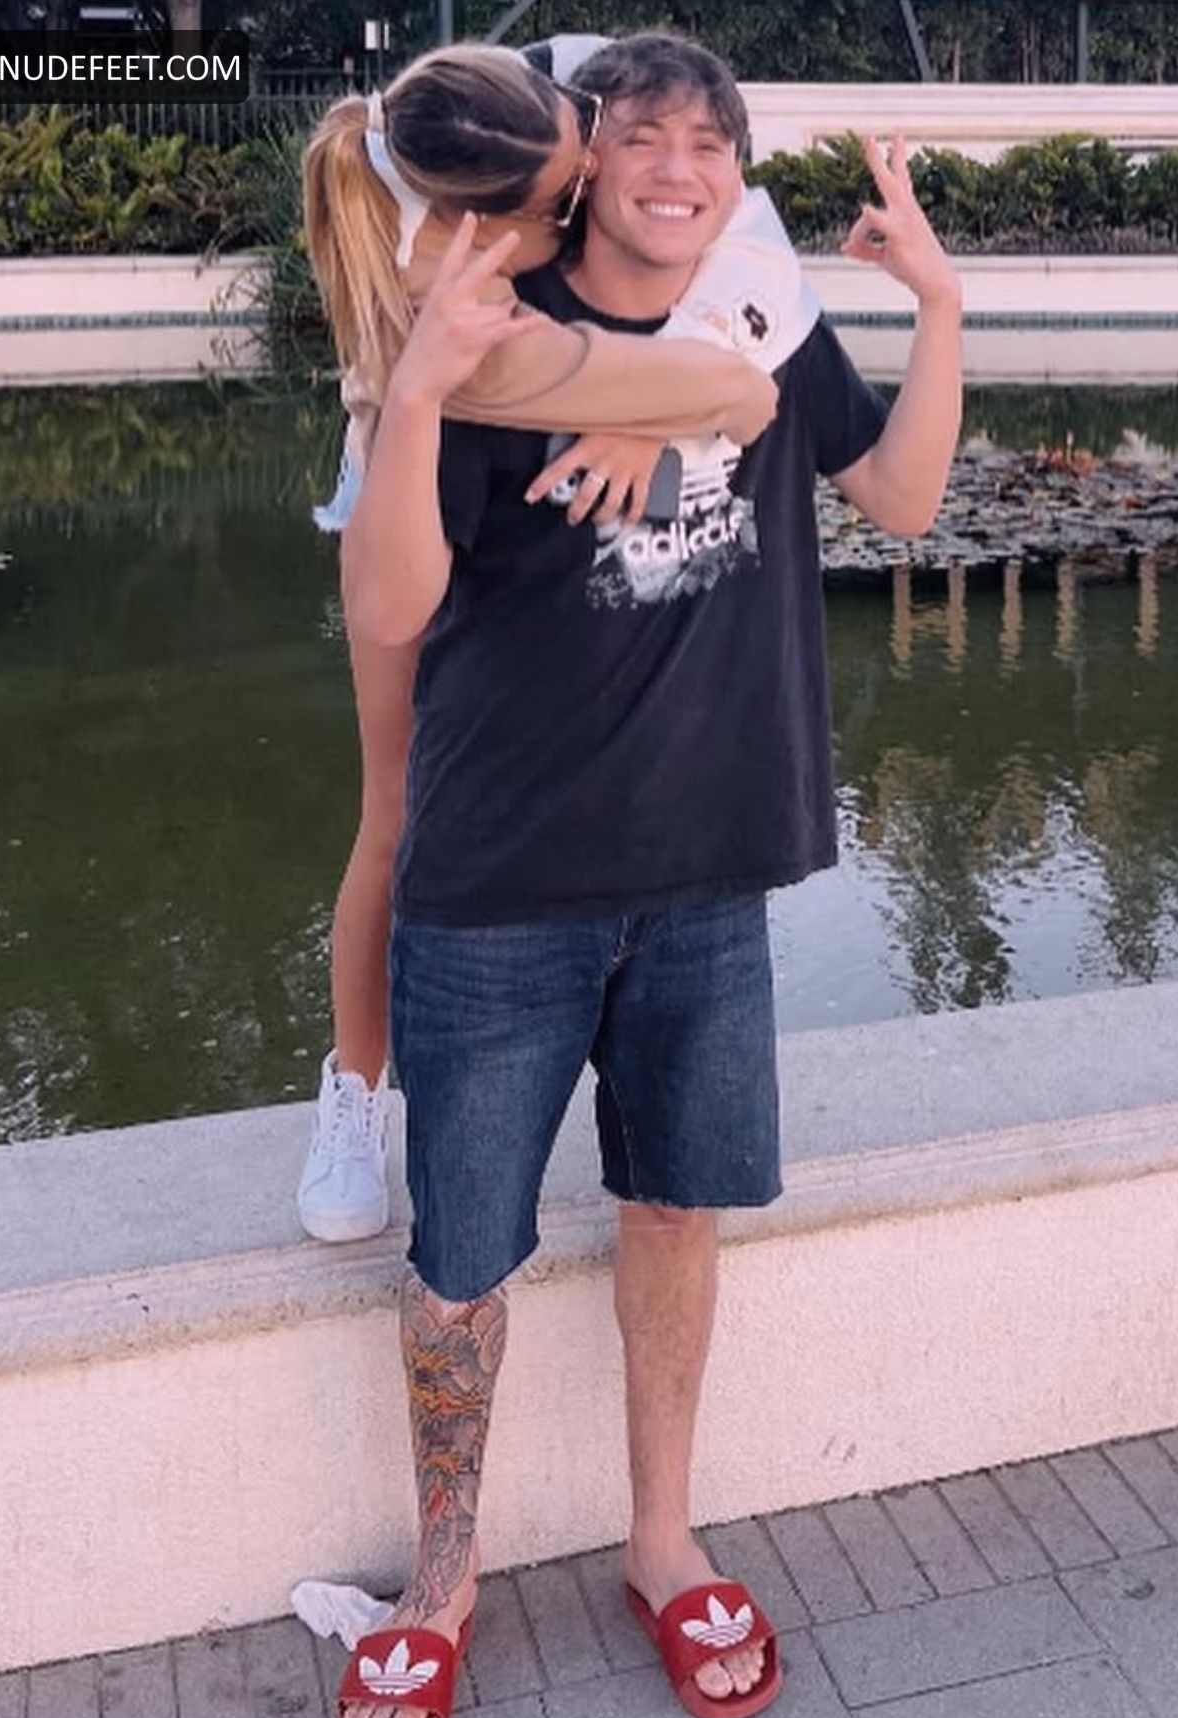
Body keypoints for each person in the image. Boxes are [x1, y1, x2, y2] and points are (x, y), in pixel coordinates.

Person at [329, 29, 963, 1718]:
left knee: (677, 1214)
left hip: (704, 887)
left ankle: (663, 1541)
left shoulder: (767, 325)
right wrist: (419, 395)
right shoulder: (493, 322)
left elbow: (905, 496)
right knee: (460, 1260)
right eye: (647, 138)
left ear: (735, 180)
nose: (679, 169)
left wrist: (937, 304)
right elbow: (387, 605)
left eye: (712, 146)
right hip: (500, 894)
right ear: (586, 158)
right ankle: (442, 1582)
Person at [295, 35, 823, 1242]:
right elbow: (721, 392)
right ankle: (354, 1090)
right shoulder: (446, 285)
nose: (587, 201)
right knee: (395, 800)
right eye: (557, 210)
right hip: (408, 455)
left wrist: (649, 401)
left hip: (532, 424)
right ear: (483, 232)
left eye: (581, 168)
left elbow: (745, 231)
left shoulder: (549, 88)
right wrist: (653, 395)